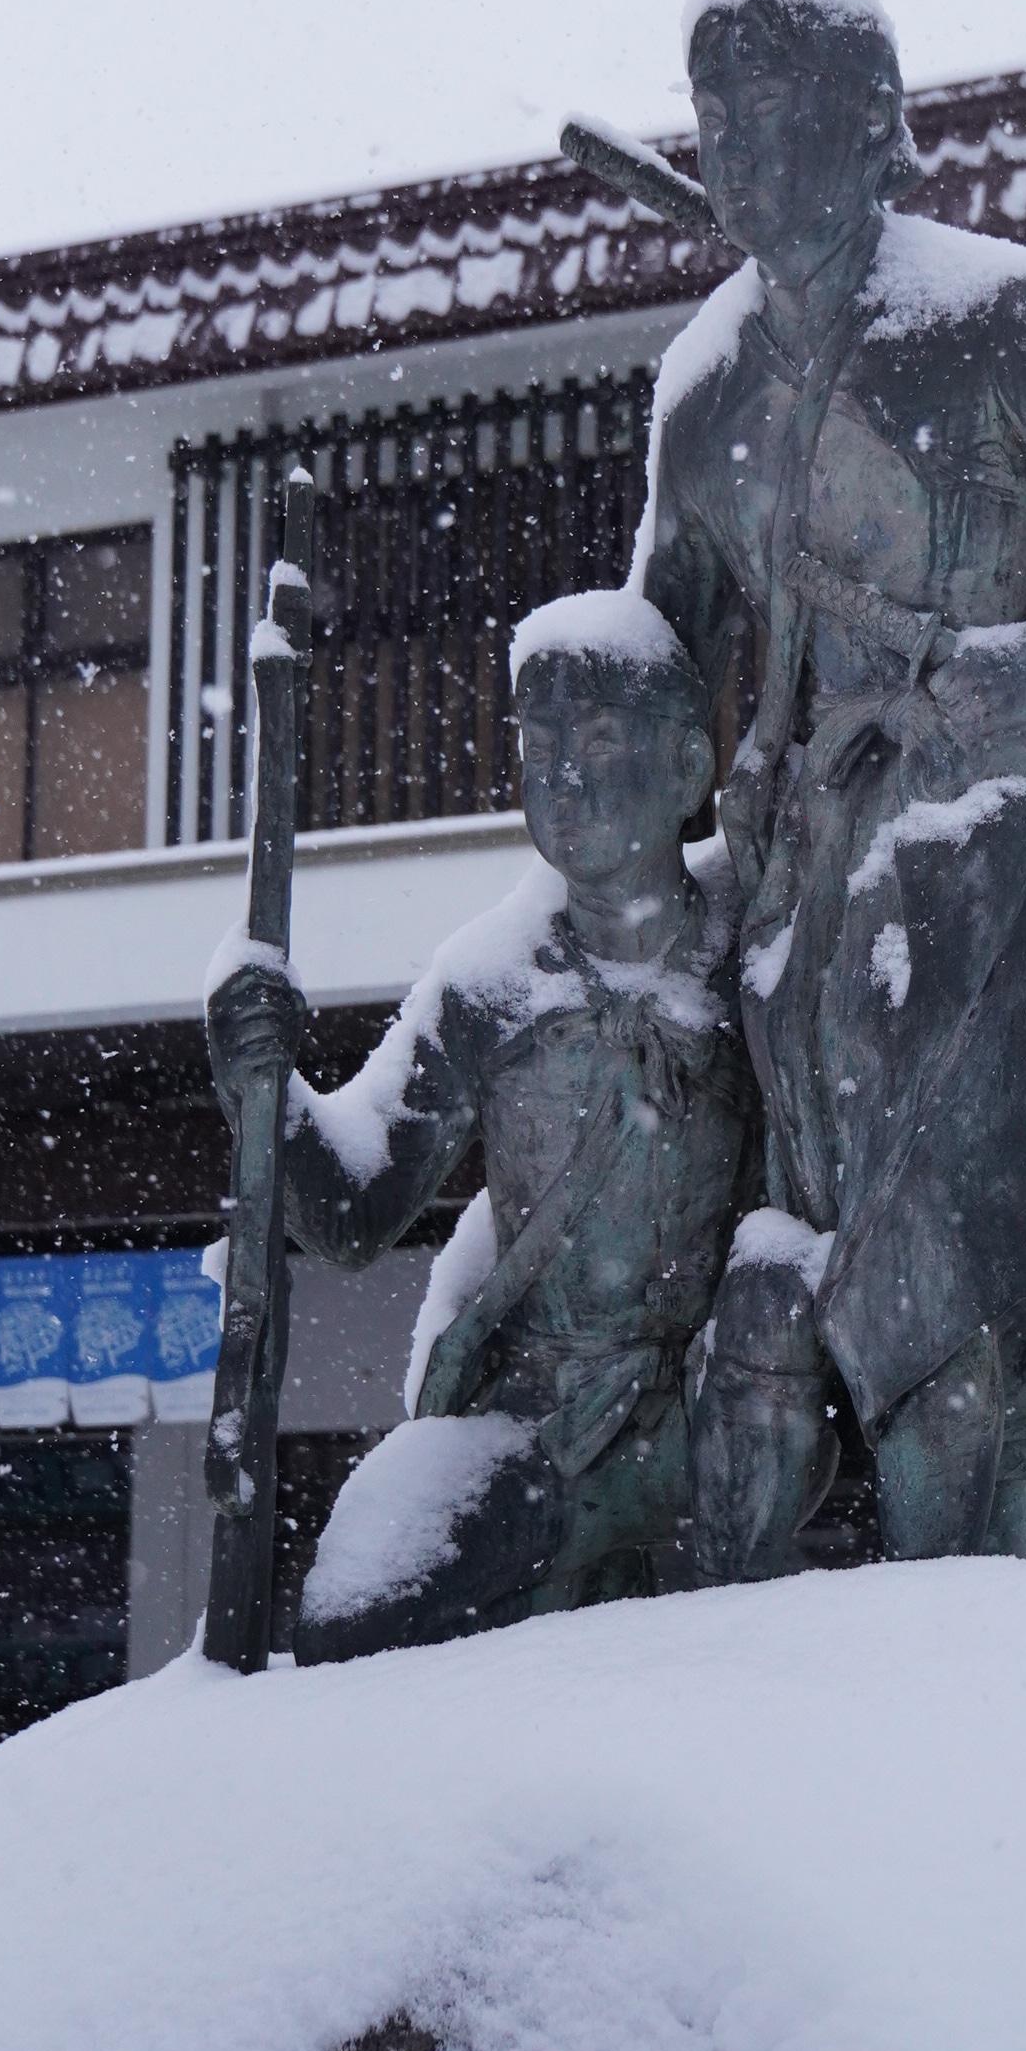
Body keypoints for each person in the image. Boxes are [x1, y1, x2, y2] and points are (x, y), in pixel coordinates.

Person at [636, 0, 1026, 1566]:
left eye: (775, 116)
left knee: (935, 1247)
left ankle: (945, 1609)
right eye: (712, 123)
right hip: (804, 852)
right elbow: (665, 651)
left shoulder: (992, 311)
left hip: (995, 835)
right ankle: (768, 1613)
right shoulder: (705, 391)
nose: (740, 156)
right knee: (792, 1250)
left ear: (875, 123)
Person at [205, 588, 760, 1655]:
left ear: (688, 768)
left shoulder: (749, 950)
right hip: (527, 1413)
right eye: (539, 740)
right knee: (353, 1611)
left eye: (602, 738)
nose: (565, 774)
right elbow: (357, 1208)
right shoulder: (488, 981)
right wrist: (262, 1086)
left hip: (708, 1398)